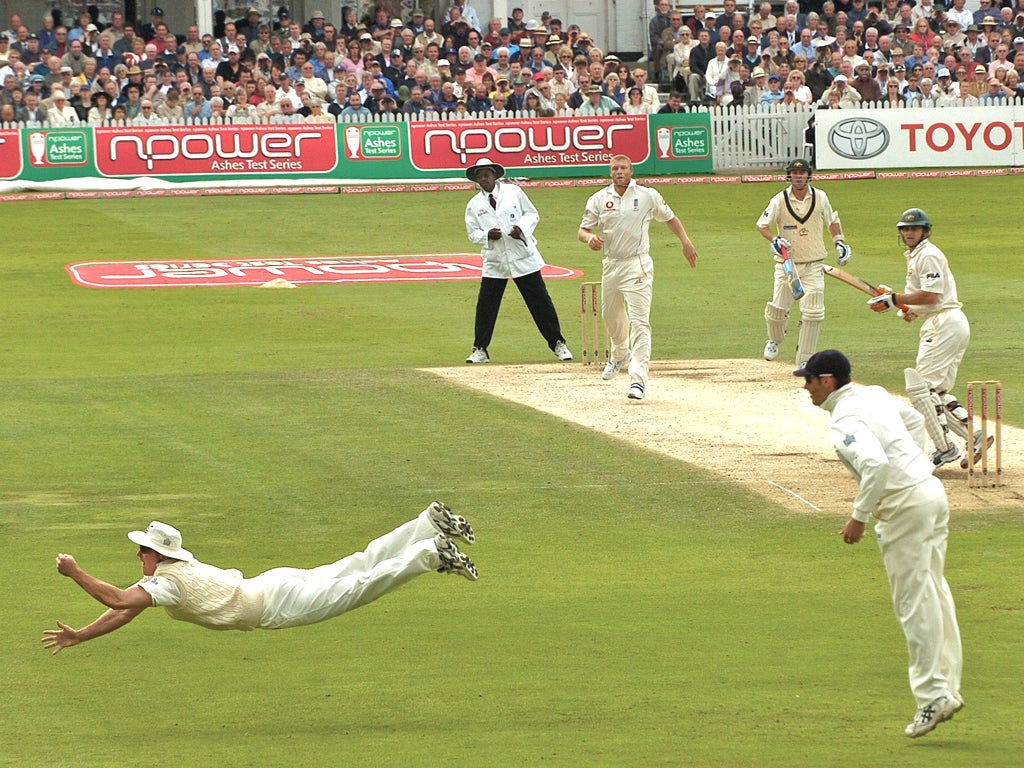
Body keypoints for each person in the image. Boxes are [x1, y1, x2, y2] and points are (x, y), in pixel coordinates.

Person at [41, 502, 477, 654]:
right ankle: (427, 523)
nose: (137, 554)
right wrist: (81, 635)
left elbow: (119, 601)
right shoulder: (174, 571)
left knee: (358, 586)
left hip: (273, 605)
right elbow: (125, 612)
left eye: (143, 550)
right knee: (358, 564)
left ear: (158, 555)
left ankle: (428, 553)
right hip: (272, 583)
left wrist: (74, 571)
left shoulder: (168, 583)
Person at [793, 349, 963, 739]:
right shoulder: (873, 394)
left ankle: (933, 696)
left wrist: (859, 516)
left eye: (810, 380)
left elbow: (875, 465)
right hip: (930, 493)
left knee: (913, 603)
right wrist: (913, 463)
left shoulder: (845, 420)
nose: (807, 388)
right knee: (934, 592)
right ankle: (945, 688)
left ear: (828, 381)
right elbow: (914, 419)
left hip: (905, 507)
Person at [866, 208, 985, 469]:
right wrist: (909, 310)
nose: (909, 233)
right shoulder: (918, 255)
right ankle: (973, 436)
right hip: (946, 323)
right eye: (905, 229)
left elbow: (931, 296)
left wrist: (894, 299)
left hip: (944, 325)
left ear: (925, 231)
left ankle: (945, 448)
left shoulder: (928, 255)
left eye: (914, 228)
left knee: (920, 389)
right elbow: (928, 299)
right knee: (936, 392)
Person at [577, 155, 699, 401]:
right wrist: (589, 239)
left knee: (640, 322)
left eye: (623, 168)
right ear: (610, 173)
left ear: (631, 171)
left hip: (638, 264)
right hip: (611, 264)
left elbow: (670, 218)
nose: (619, 171)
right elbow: (583, 229)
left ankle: (638, 379)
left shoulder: (647, 195)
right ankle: (620, 352)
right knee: (609, 316)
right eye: (615, 168)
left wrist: (685, 241)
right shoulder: (599, 199)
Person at [463, 158, 573, 365]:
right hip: (495, 261)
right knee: (486, 305)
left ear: (495, 175)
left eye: (486, 174)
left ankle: (558, 343)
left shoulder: (513, 192)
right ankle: (480, 349)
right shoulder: (474, 204)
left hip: (522, 256)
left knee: (540, 303)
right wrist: (487, 235)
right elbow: (472, 233)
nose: (484, 179)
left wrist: (521, 228)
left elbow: (532, 214)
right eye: (479, 176)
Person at [756, 158, 851, 366]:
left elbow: (831, 220)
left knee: (813, 312)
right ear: (789, 176)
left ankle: (805, 358)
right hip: (787, 265)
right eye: (794, 173)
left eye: (802, 173)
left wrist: (840, 242)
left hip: (814, 264)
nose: (798, 176)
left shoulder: (821, 197)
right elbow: (762, 225)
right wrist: (774, 239)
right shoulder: (779, 200)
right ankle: (775, 339)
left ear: (809, 175)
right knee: (777, 311)